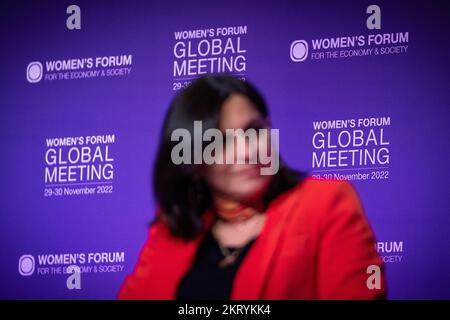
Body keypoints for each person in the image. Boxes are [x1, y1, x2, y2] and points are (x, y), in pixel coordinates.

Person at [118, 75, 385, 299]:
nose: (247, 152)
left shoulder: (325, 202)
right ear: (192, 163)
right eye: (221, 142)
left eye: (254, 131)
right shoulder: (171, 230)